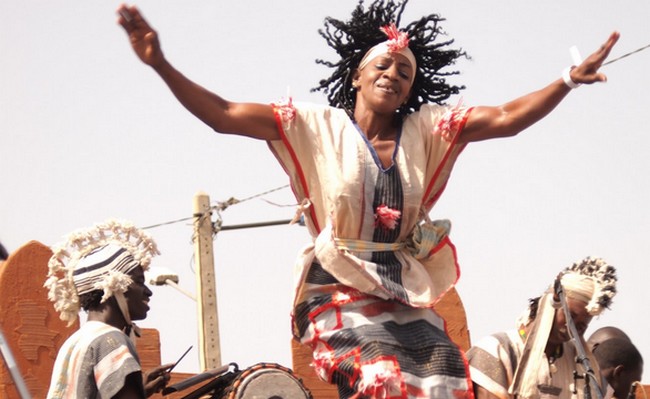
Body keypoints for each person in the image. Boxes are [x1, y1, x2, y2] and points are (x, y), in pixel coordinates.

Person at [117, 1, 619, 397]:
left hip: (400, 285)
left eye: (405, 72)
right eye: (383, 64)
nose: (393, 75)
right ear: (357, 75)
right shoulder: (315, 126)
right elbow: (223, 113)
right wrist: (160, 63)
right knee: (378, 371)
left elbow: (508, 117)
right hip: (336, 283)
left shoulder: (428, 130)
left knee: (446, 371)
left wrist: (567, 81)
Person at [44, 219, 173, 398]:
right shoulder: (111, 340)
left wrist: (140, 390)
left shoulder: (75, 342)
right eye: (139, 282)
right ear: (116, 285)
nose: (148, 292)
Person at [466, 257, 618, 399]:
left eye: (582, 325)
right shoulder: (497, 351)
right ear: (552, 304)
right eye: (570, 317)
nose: (572, 329)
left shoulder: (582, 364)